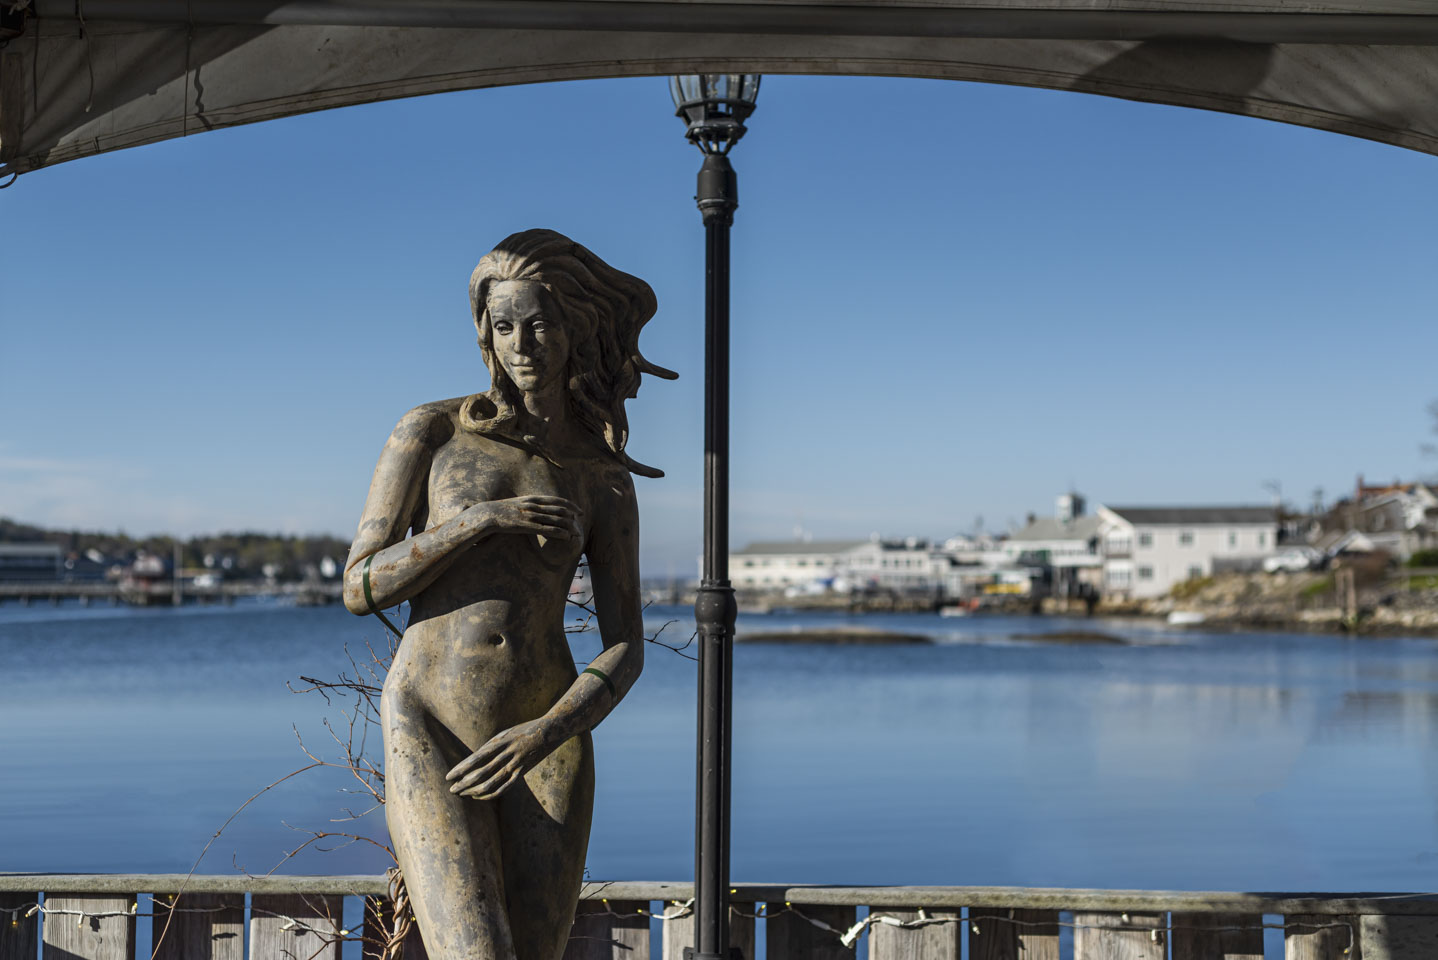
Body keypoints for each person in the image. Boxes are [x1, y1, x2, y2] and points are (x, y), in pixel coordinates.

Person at [343, 228, 675, 960]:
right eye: (503, 325)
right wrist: (474, 525)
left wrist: (548, 731)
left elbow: (624, 645)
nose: (521, 343)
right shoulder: (431, 431)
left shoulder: (601, 474)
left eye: (541, 323)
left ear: (574, 329)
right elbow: (361, 586)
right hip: (432, 719)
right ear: (483, 334)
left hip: (546, 737)